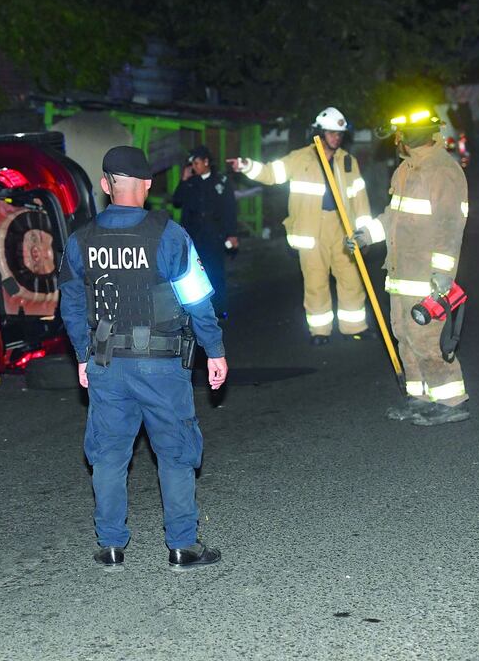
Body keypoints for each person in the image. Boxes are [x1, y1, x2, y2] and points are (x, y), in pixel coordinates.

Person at [57, 145, 228, 570]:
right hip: (161, 364)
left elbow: (72, 304)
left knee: (109, 456)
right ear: (148, 186)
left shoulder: (81, 240)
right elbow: (197, 300)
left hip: (107, 363)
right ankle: (182, 546)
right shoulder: (169, 234)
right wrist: (215, 350)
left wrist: (82, 355)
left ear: (105, 185)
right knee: (175, 452)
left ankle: (111, 546)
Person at [347, 108, 470, 427]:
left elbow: (449, 225)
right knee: (404, 335)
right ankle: (420, 397)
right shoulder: (405, 171)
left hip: (426, 278)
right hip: (400, 273)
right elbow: (393, 217)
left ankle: (450, 400)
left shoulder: (444, 171)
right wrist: (366, 235)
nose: (400, 139)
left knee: (427, 339)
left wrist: (443, 273)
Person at [228, 107, 371, 345]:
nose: (336, 137)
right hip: (311, 231)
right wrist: (246, 166)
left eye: (340, 133)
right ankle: (320, 332)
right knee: (316, 283)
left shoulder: (348, 161)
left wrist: (364, 234)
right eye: (331, 132)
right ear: (319, 132)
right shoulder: (300, 158)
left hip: (342, 227)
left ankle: (354, 326)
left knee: (352, 279)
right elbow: (271, 173)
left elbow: (360, 200)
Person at [172, 145, 238, 318]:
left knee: (215, 271)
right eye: (192, 164)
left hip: (214, 234)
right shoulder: (191, 183)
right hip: (194, 234)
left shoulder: (220, 182)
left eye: (196, 163)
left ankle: (218, 308)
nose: (194, 166)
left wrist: (231, 233)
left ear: (206, 162)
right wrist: (183, 180)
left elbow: (230, 208)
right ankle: (194, 309)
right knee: (192, 272)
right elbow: (177, 201)